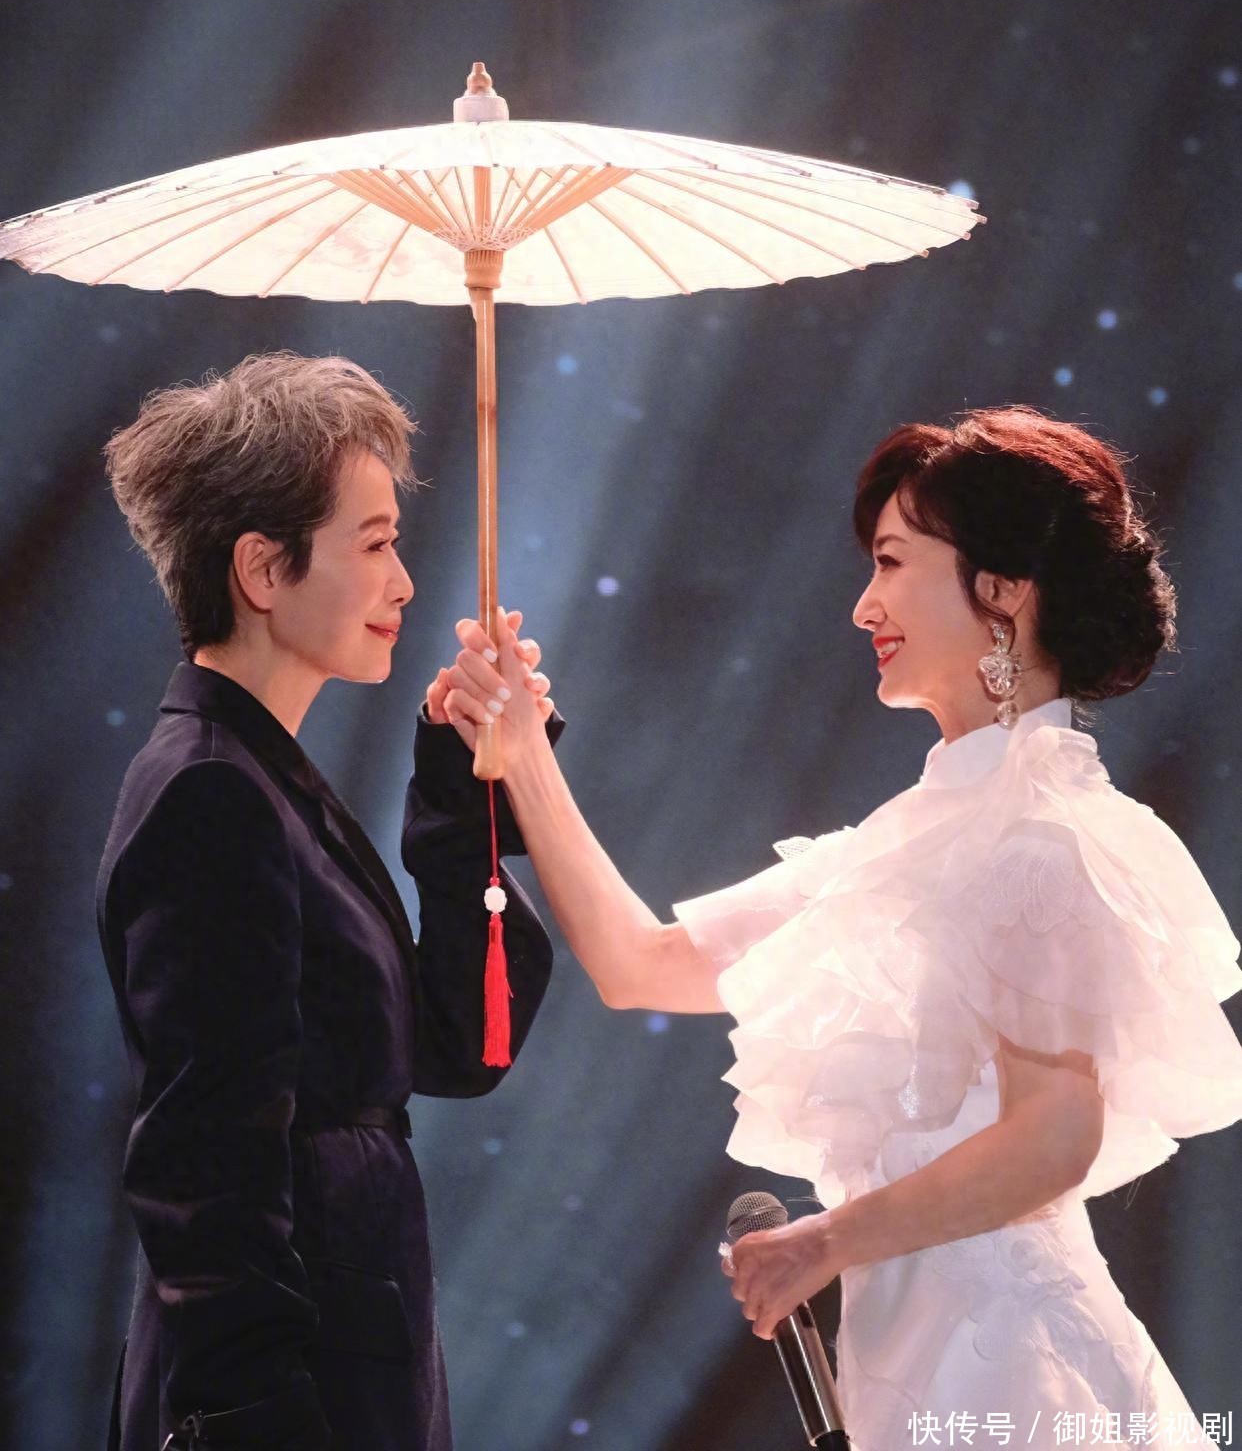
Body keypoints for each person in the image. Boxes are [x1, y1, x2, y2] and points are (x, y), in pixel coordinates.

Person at [434, 407, 1242, 1449]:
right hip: (915, 1353)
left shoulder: (1043, 832)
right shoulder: (910, 839)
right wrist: (524, 753)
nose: (864, 606)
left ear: (1003, 589)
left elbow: (1053, 1134)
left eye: (893, 563)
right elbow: (642, 965)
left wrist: (824, 1242)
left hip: (1009, 1366)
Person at [96, 351, 558, 1451]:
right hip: (288, 1387)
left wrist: (463, 785)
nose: (405, 584)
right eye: (376, 543)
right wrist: (259, 1417)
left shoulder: (265, 780)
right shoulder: (211, 793)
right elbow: (204, 1161)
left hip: (355, 1344)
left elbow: (459, 1045)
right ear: (263, 569)